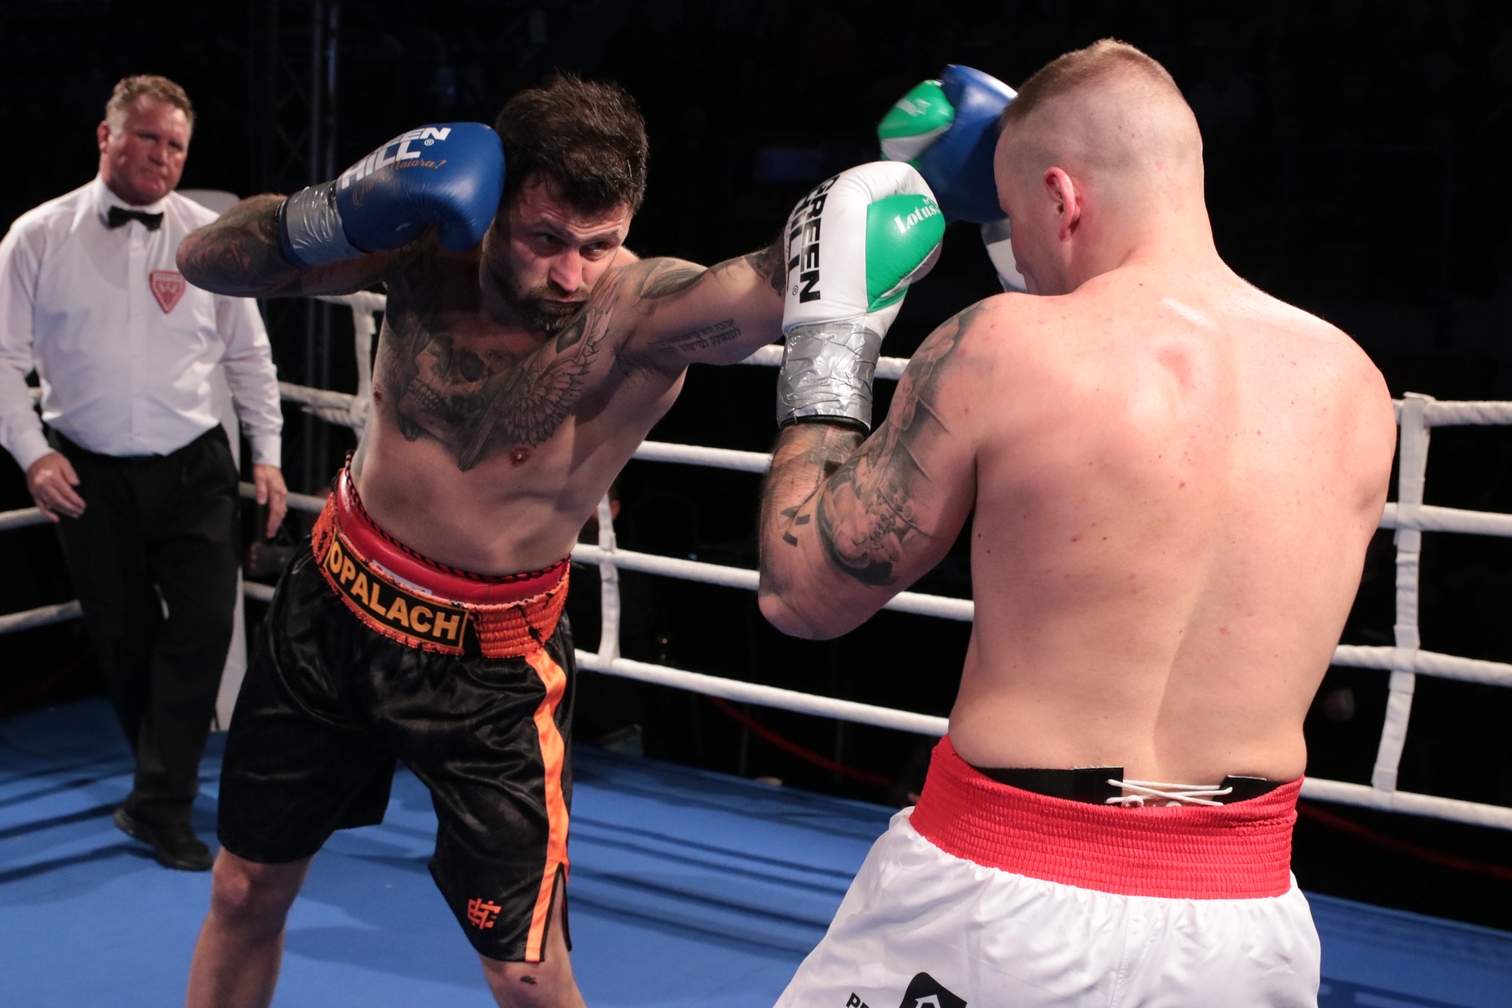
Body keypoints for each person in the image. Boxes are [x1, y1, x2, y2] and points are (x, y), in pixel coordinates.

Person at [174, 74, 939, 1008]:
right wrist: (339, 206)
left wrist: (865, 222)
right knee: (243, 890)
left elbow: (768, 287)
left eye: (598, 245)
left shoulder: (640, 313)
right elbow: (207, 260)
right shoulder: (423, 246)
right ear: (496, 206)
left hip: (490, 669)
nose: (570, 276)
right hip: (330, 608)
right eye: (544, 240)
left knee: (530, 974)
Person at [757, 41, 1397, 1007]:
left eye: (1017, 223)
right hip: (1244, 929)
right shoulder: (1353, 385)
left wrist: (827, 338)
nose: (1018, 257)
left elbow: (803, 592)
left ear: (1061, 198)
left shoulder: (1002, 344)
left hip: (1002, 896)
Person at [0, 75, 286, 872]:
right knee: (122, 638)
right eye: (149, 138)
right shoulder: (35, 236)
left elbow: (249, 355)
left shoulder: (209, 238)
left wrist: (267, 454)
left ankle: (162, 802)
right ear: (107, 136)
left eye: (176, 145)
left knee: (205, 627)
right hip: (86, 472)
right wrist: (33, 453)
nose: (163, 156)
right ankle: (158, 791)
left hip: (194, 466)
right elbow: (1, 360)